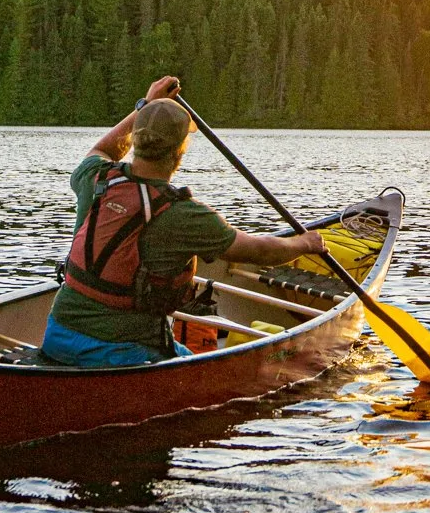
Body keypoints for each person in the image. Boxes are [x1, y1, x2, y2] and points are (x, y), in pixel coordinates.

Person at [40, 75, 325, 368]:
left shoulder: (97, 178)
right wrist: (304, 242)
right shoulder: (184, 214)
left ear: (135, 139)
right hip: (124, 354)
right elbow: (259, 251)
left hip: (58, 338)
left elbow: (101, 150)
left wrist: (146, 105)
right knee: (214, 372)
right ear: (181, 150)